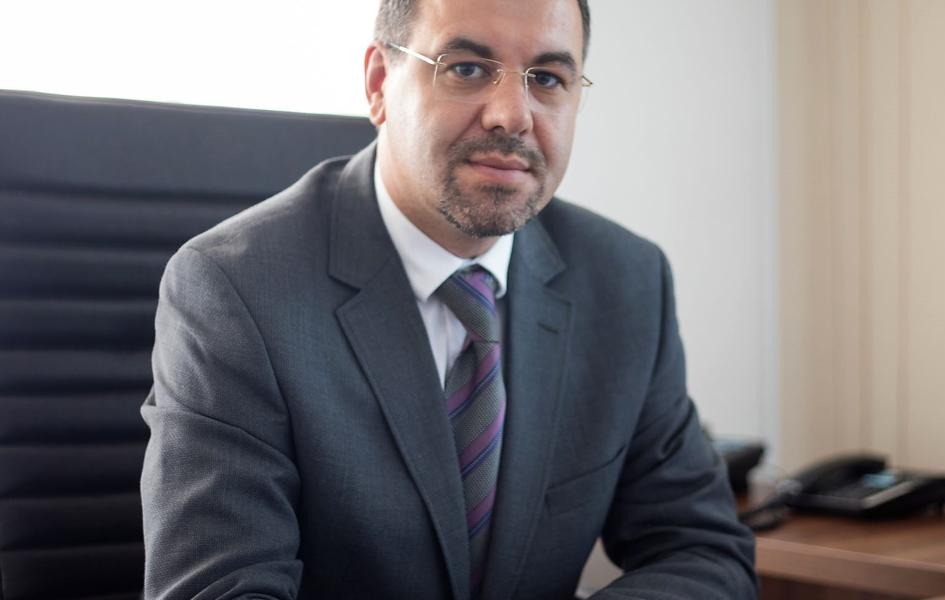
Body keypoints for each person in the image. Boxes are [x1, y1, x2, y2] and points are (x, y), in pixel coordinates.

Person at [139, 0, 757, 598]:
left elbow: (701, 551)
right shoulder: (235, 289)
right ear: (380, 84)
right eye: (466, 68)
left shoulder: (627, 281)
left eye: (547, 78)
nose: (512, 115)